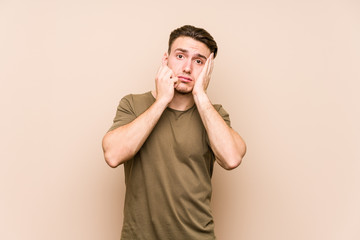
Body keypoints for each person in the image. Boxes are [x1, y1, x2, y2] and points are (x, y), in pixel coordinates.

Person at [102, 25, 246, 240]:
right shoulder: (132, 104)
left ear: (208, 69)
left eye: (199, 61)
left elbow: (232, 158)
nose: (187, 68)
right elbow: (113, 155)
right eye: (180, 56)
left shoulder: (214, 114)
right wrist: (162, 100)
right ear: (165, 60)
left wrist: (201, 96)